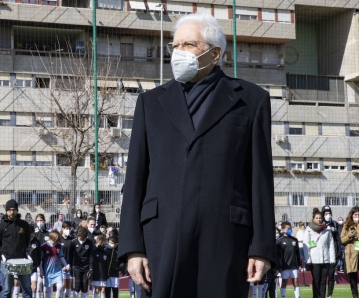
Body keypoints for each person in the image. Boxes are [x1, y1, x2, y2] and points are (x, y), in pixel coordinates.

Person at [119, 12, 275, 297]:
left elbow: (260, 179)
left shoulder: (251, 101)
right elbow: (135, 179)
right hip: (160, 240)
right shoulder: (150, 103)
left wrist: (262, 248)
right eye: (174, 46)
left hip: (226, 241)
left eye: (187, 45)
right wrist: (132, 247)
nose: (177, 53)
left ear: (215, 53)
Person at [0, 200, 32, 298]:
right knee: (6, 290)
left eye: (14, 210)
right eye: (9, 210)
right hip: (7, 262)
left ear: (17, 210)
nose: (12, 212)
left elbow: (27, 240)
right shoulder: (1, 226)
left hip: (22, 260)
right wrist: (3, 256)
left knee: (27, 289)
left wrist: (25, 254)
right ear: (6, 211)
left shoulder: (24, 225)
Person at [304, 208, 335, 298]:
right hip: (314, 260)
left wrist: (332, 258)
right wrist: (308, 259)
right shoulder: (309, 230)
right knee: (316, 281)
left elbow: (331, 244)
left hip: (325, 259)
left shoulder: (327, 230)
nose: (319, 219)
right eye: (317, 218)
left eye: (320, 218)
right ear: (313, 219)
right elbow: (306, 245)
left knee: (323, 281)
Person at [40, 230, 70, 298]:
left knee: (60, 286)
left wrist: (66, 265)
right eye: (55, 240)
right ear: (51, 238)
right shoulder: (44, 246)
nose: (57, 241)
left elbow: (61, 256)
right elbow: (41, 260)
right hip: (47, 271)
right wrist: (41, 270)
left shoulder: (59, 246)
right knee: (49, 289)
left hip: (58, 270)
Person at [276, 221, 301, 298]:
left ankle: (298, 296)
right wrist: (279, 267)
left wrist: (299, 264)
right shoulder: (279, 241)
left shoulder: (295, 240)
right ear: (283, 230)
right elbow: (278, 256)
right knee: (284, 282)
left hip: (294, 265)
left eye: (290, 228)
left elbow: (298, 253)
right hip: (284, 266)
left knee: (296, 282)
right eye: (288, 229)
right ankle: (283, 296)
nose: (290, 230)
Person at [321, 205, 341, 298]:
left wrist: (338, 251)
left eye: (329, 213)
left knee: (331, 275)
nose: (328, 215)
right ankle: (322, 295)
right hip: (323, 254)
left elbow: (338, 239)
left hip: (333, 254)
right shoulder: (320, 224)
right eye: (325, 213)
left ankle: (329, 295)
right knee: (323, 276)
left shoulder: (335, 224)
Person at [340, 206, 359, 298]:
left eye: (358, 214)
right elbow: (342, 240)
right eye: (355, 214)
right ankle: (355, 294)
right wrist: (349, 235)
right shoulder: (347, 225)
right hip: (352, 253)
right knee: (353, 275)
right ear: (352, 215)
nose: (357, 216)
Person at [71, 227, 94, 298]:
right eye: (79, 236)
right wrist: (72, 267)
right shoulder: (73, 242)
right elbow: (71, 255)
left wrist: (91, 269)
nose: (80, 238)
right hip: (76, 267)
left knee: (84, 286)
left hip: (86, 268)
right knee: (77, 285)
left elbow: (91, 256)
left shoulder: (89, 242)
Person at [60, 222, 74, 298]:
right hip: (61, 267)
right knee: (62, 285)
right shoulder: (59, 239)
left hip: (70, 266)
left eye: (69, 229)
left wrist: (70, 265)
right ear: (62, 229)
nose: (68, 230)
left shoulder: (72, 240)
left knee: (68, 285)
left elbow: (73, 253)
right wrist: (62, 265)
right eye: (66, 228)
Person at [27, 228, 42, 298]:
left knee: (34, 287)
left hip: (33, 268)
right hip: (25, 269)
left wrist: (38, 264)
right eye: (30, 236)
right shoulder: (22, 241)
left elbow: (39, 254)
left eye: (32, 236)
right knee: (26, 287)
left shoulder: (36, 242)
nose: (31, 238)